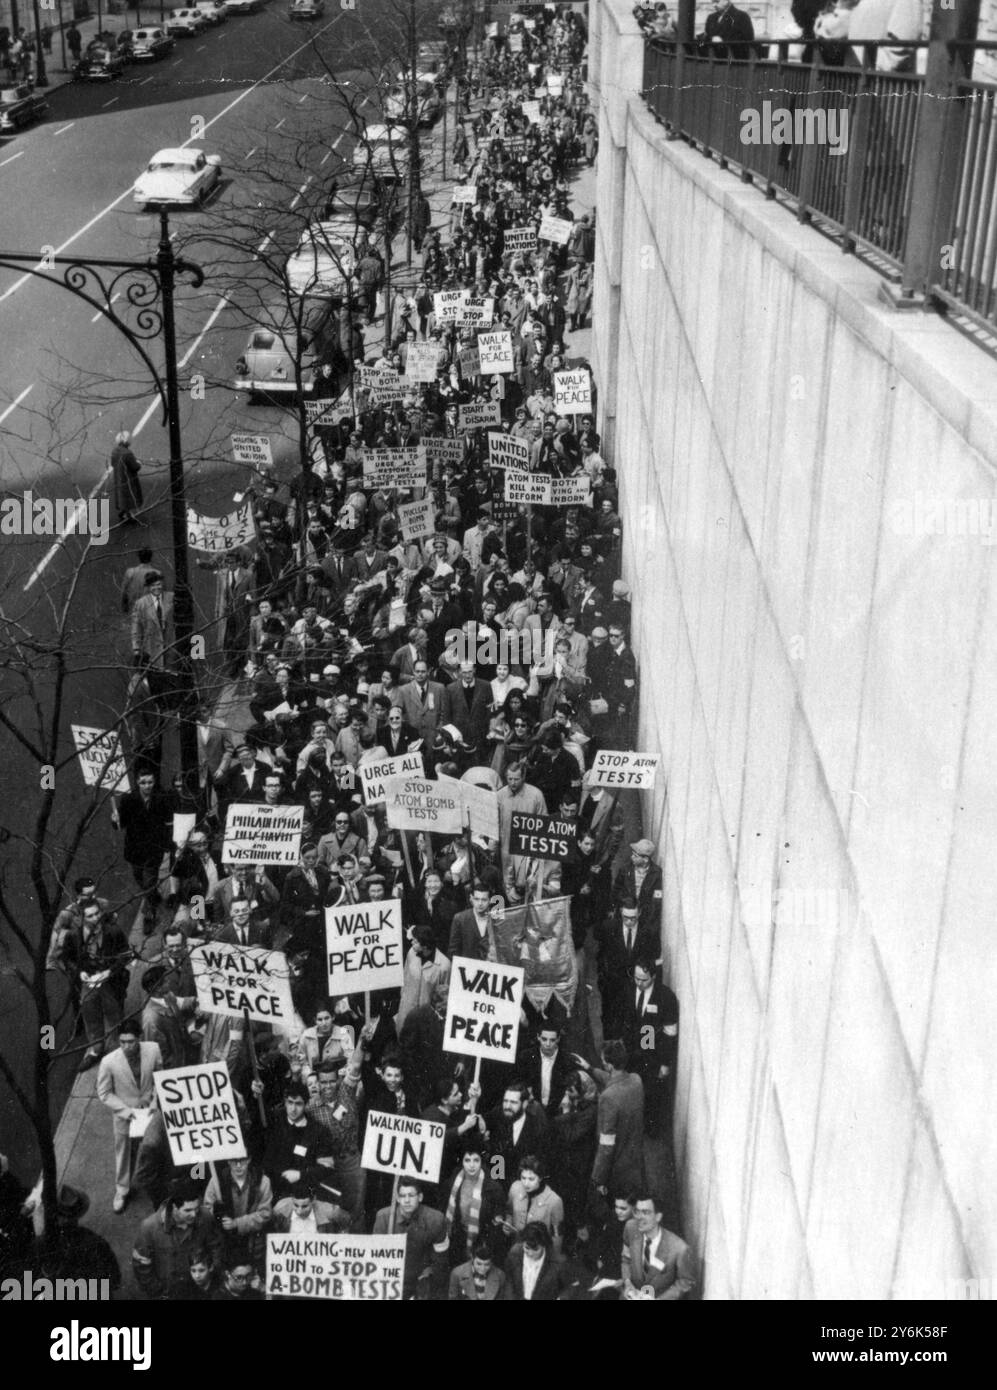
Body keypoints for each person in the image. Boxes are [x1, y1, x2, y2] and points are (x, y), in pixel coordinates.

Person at [96, 1019, 162, 1213]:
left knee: (154, 1148)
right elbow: (104, 1093)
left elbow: (160, 1077)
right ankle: (122, 1191)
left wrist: (155, 1102)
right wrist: (126, 1111)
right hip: (125, 1116)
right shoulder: (109, 1062)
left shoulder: (153, 1050)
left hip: (150, 1112)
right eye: (122, 1042)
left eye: (131, 1041)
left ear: (139, 1038)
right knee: (124, 1154)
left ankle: (156, 1186)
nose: (126, 1046)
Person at [575, 1040, 645, 1202]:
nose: (603, 1063)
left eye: (604, 1061)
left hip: (617, 1167)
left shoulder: (608, 1097)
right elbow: (613, 1079)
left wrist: (598, 1177)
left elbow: (607, 1143)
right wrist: (590, 1068)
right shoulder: (636, 1080)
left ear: (610, 1065)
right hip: (634, 1160)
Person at [131, 1181, 220, 1300]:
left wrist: (212, 1279)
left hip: (200, 1291)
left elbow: (216, 1247)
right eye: (187, 1210)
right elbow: (141, 1266)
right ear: (174, 1207)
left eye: (197, 1208)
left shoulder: (205, 1217)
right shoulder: (149, 1228)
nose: (194, 1214)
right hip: (168, 1294)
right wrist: (157, 1292)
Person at [372, 1177, 449, 1300]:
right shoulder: (384, 1218)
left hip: (421, 1279)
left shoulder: (435, 1220)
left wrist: (430, 1284)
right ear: (397, 1198)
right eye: (402, 1196)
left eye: (411, 1195)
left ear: (420, 1197)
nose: (406, 1200)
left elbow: (440, 1262)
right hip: (393, 1278)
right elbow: (376, 1257)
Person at [620, 1193, 696, 1300]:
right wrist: (627, 1283)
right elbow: (626, 1259)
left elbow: (686, 1282)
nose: (639, 1217)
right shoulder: (630, 1228)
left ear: (658, 1217)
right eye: (637, 1211)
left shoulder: (679, 1248)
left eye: (646, 1212)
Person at [502, 1220, 568, 1300]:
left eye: (535, 1249)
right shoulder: (514, 1253)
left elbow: (567, 1288)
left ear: (544, 1245)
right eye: (527, 1248)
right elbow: (509, 1282)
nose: (530, 1253)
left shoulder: (558, 1262)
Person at [111, 430, 144, 525]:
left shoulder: (114, 451)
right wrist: (138, 463)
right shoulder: (128, 453)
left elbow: (113, 464)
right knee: (130, 494)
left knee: (121, 494)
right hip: (128, 478)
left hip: (118, 477)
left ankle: (123, 511)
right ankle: (128, 514)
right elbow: (135, 467)